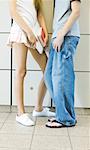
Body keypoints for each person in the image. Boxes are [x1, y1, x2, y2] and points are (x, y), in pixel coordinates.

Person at [7, 0, 55, 127]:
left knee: (48, 71)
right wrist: (28, 32)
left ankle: (38, 109)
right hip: (21, 29)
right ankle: (20, 113)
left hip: (35, 31)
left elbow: (39, 13)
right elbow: (13, 12)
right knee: (21, 71)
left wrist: (44, 31)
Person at [44, 0, 81, 128]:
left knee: (62, 79)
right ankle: (63, 113)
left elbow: (76, 12)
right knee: (49, 76)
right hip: (58, 37)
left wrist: (61, 35)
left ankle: (66, 119)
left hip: (66, 37)